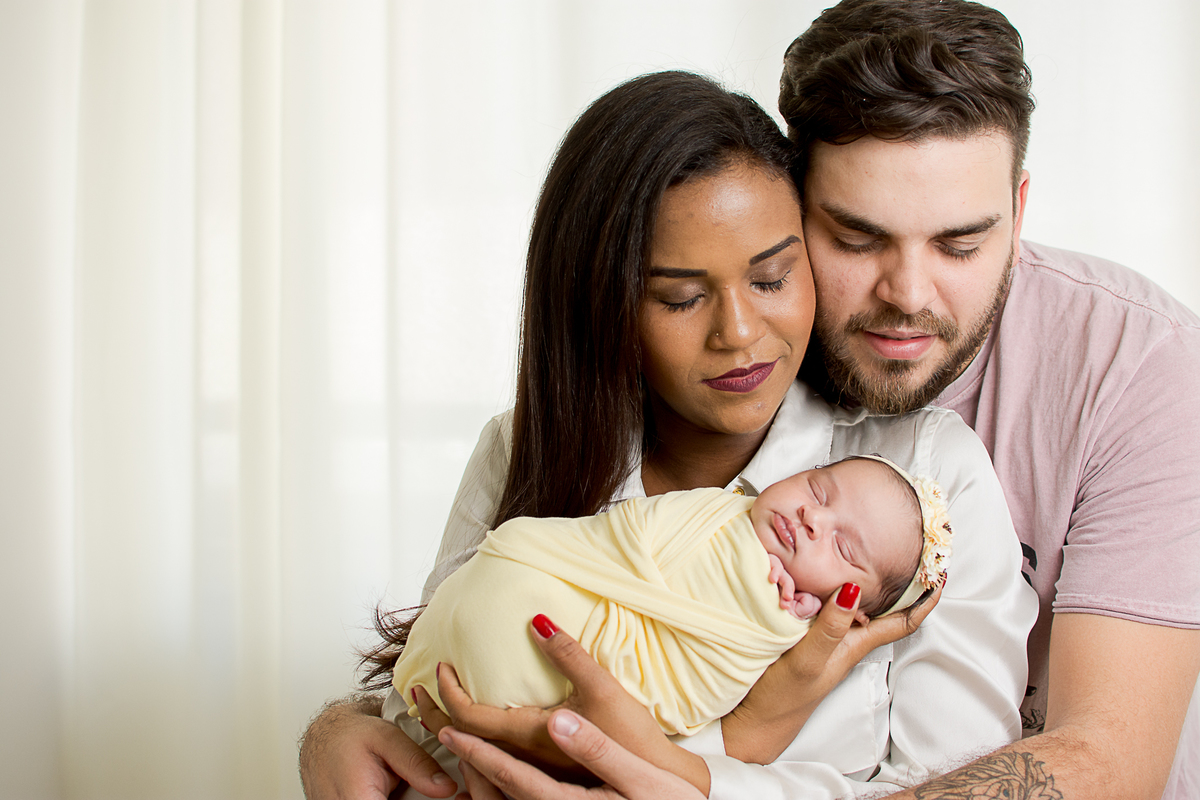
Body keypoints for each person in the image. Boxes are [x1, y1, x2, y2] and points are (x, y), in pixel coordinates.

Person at [444, 2, 1200, 799]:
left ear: (1016, 212)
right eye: (857, 238)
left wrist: (698, 774)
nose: (907, 295)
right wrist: (346, 727)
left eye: (961, 243)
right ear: (791, 203)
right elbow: (437, 679)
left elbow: (1110, 760)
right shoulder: (701, 381)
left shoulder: (1131, 368)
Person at [298, 70, 1035, 800]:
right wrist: (337, 729)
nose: (740, 334)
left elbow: (964, 790)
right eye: (680, 297)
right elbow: (423, 712)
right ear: (604, 304)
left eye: (773, 279)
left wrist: (691, 769)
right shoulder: (524, 445)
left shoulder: (924, 475)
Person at [373, 456, 950, 739]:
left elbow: (701, 666)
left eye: (844, 549)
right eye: (818, 488)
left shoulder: (788, 621)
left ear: (848, 611)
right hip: (518, 582)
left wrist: (770, 611)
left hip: (557, 682)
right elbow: (623, 537)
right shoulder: (724, 506)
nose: (812, 517)